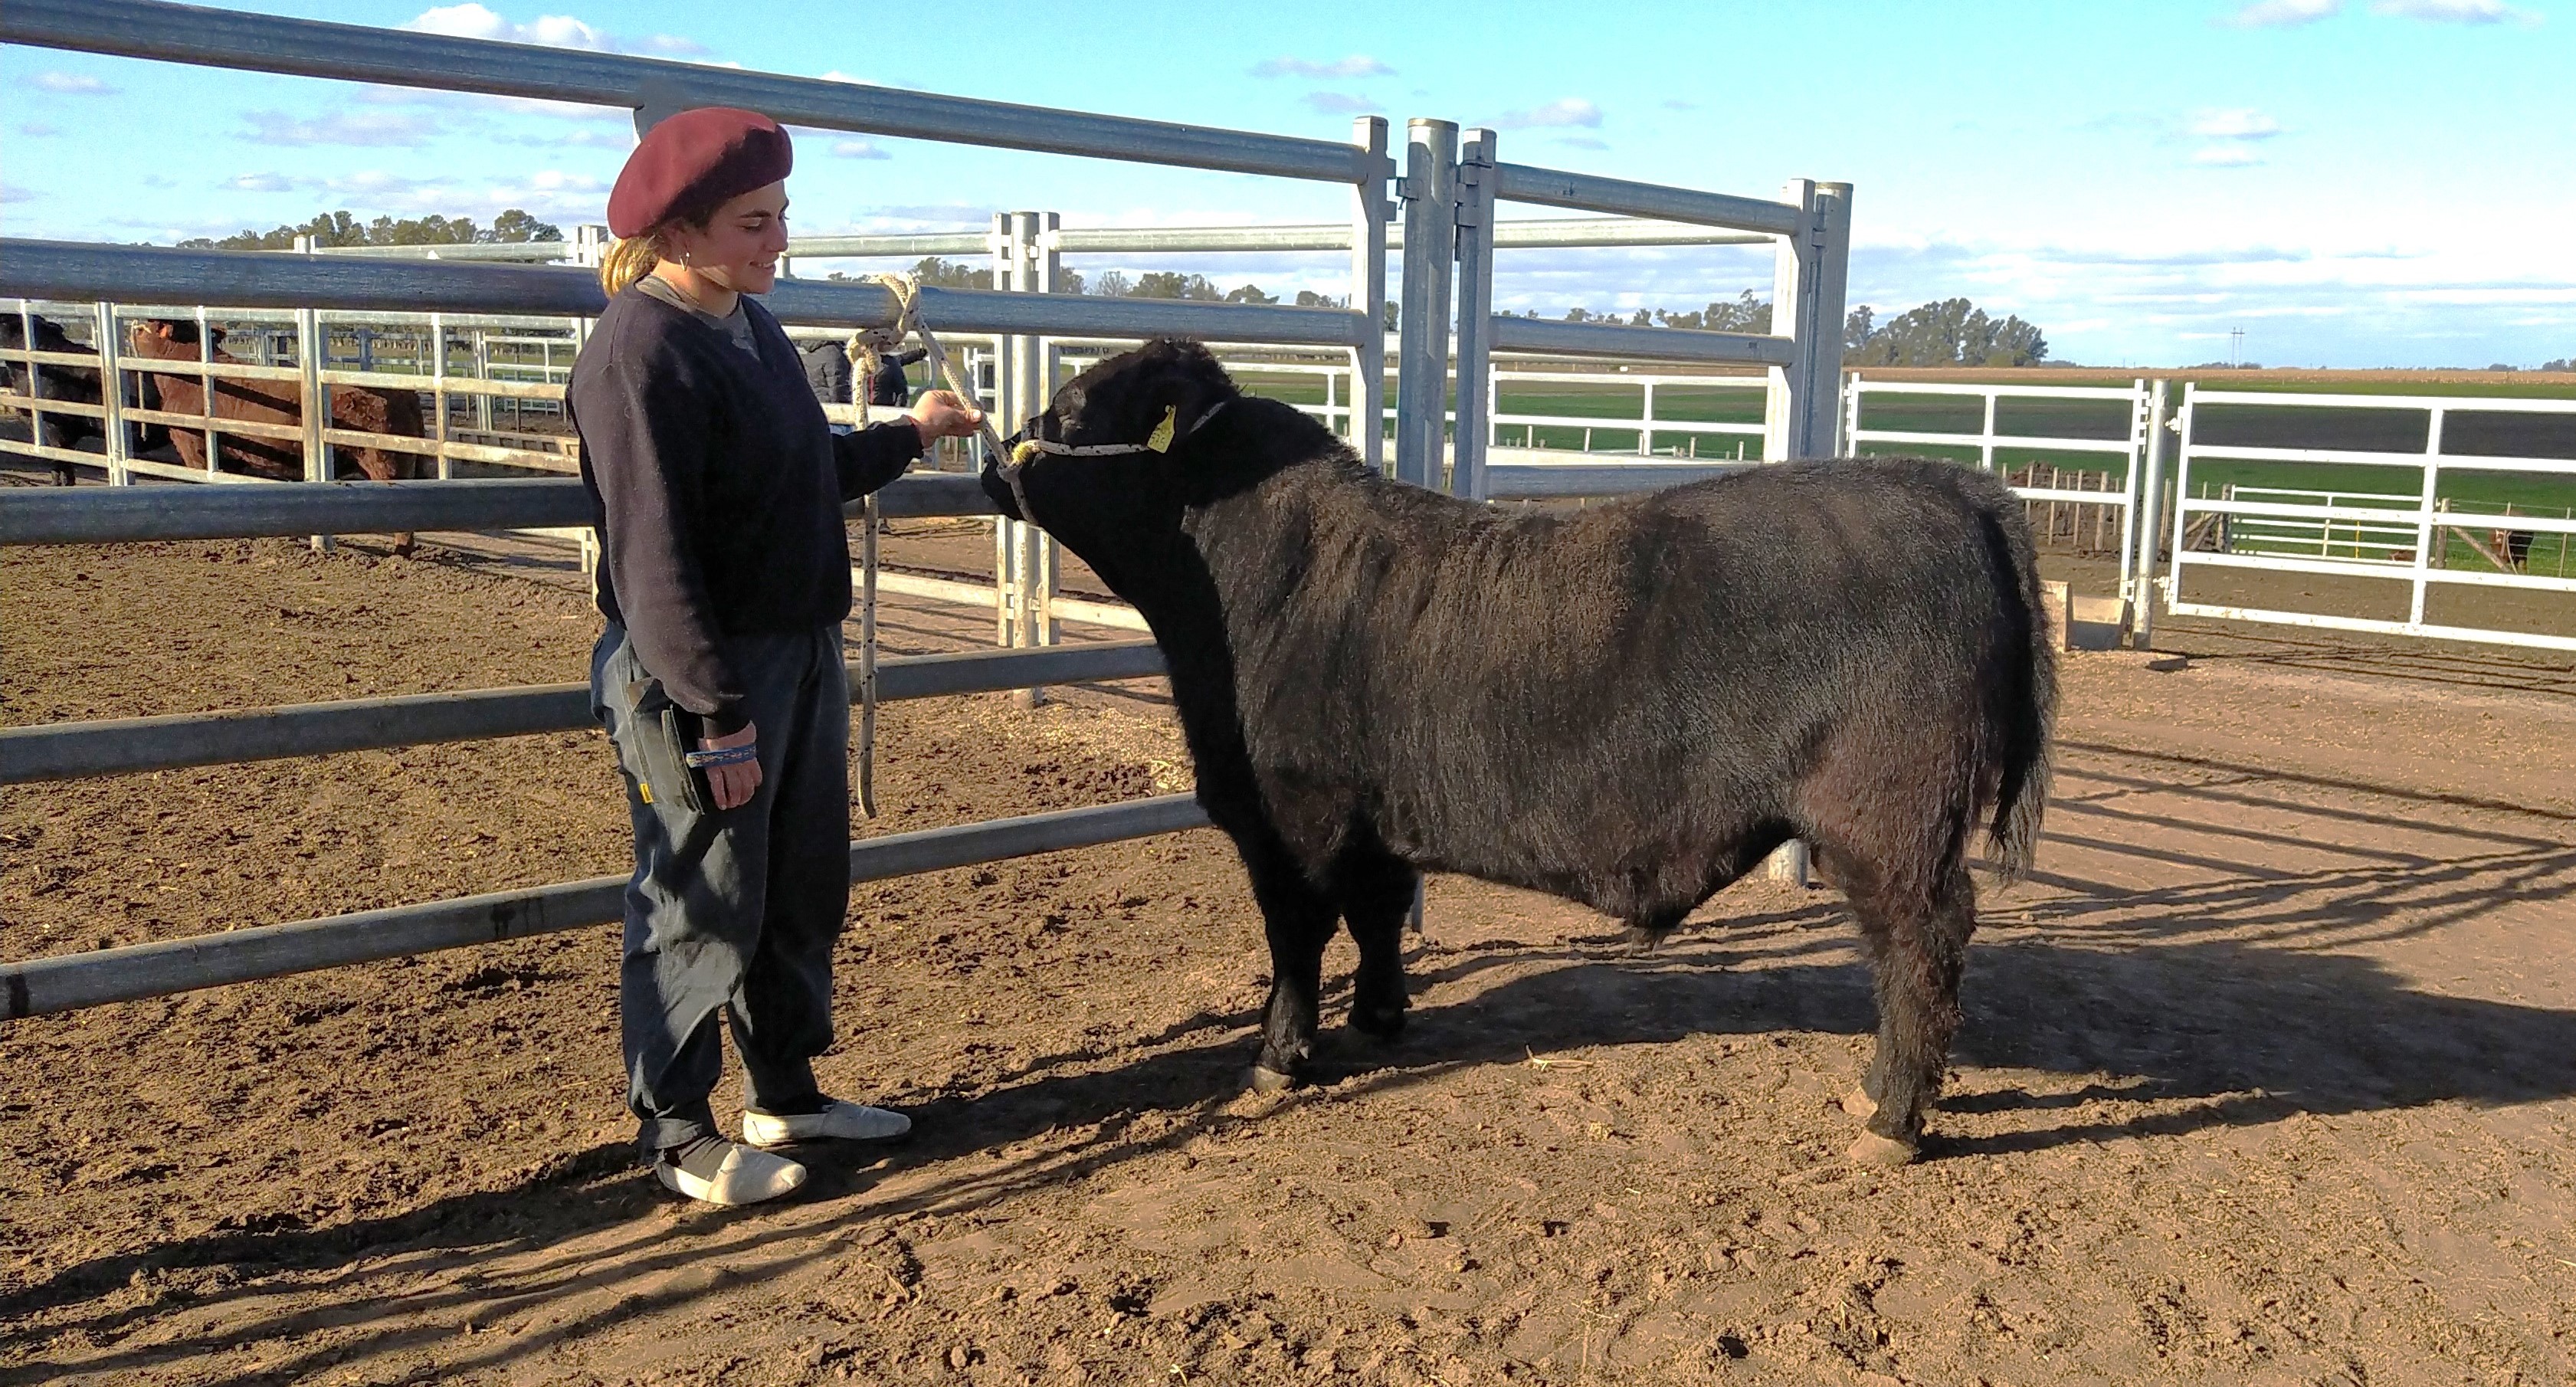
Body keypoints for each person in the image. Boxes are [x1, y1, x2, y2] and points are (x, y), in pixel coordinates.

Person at [569, 106, 985, 1206]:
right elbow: (654, 555)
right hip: (703, 667)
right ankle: (674, 1127)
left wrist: (907, 437)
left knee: (798, 883)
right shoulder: (639, 353)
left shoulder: (747, 330)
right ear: (677, 234)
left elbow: (792, 476)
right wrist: (715, 711)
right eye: (754, 223)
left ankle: (787, 1088)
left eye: (781, 216)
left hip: (793, 650)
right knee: (699, 892)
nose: (778, 242)